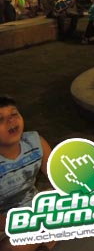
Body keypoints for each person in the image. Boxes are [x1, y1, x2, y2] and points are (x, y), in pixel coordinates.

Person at [0, 95, 55, 251]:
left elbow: (60, 179)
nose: (11, 120)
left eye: (14, 114)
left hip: (33, 210)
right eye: (0, 119)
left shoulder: (35, 142)